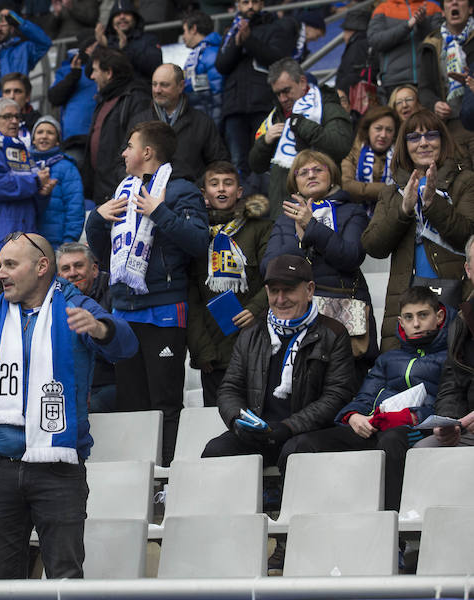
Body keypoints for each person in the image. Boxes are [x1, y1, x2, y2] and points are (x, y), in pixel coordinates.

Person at [0, 232, 137, 579]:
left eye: (10, 265)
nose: (0, 274)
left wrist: (100, 329)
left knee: (64, 579)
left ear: (41, 266)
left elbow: (125, 346)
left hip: (59, 468)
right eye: (0, 265)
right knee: (3, 581)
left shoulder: (74, 304)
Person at [85, 121, 209, 464]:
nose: (123, 152)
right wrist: (96, 220)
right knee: (131, 403)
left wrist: (160, 211)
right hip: (124, 310)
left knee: (165, 402)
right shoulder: (123, 190)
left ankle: (167, 481)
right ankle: (136, 479)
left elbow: (199, 242)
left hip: (164, 309)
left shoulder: (181, 190)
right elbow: (105, 256)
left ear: (147, 152)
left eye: (129, 146)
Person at [287, 285, 450, 513]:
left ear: (439, 316)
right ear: (400, 321)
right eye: (408, 317)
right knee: (304, 444)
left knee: (391, 441)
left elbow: (448, 404)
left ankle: (394, 529)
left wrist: (412, 416)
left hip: (414, 430)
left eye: (423, 315)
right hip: (374, 427)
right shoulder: (389, 358)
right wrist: (353, 416)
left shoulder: (450, 357)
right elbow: (365, 396)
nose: (416, 324)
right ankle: (306, 523)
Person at [201, 253, 355, 468]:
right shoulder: (251, 333)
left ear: (309, 290)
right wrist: (238, 421)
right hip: (258, 433)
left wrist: (288, 427)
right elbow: (229, 389)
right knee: (216, 451)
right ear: (266, 292)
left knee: (296, 451)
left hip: (307, 433)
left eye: (289, 290)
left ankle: (284, 502)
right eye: (274, 291)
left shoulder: (333, 333)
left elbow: (337, 396)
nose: (280, 299)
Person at [361, 109, 474, 350]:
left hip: (455, 295)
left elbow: (468, 234)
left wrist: (433, 204)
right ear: (404, 145)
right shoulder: (392, 192)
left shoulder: (465, 182)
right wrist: (402, 210)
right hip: (406, 303)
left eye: (431, 135)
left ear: (443, 141)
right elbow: (373, 246)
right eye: (414, 137)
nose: (423, 143)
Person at [262, 149, 377, 383]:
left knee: (346, 386)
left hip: (342, 314)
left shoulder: (352, 211)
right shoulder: (285, 218)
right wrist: (302, 239)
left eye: (317, 169)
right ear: (295, 182)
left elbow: (351, 256)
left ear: (332, 176)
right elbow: (269, 267)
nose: (310, 175)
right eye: (302, 172)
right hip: (299, 314)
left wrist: (312, 227)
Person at [187, 162, 271, 406]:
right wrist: (202, 350)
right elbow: (191, 298)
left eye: (228, 183)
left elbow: (273, 278)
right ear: (204, 193)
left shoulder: (262, 228)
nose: (221, 189)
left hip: (255, 342)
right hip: (214, 353)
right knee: (215, 421)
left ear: (240, 191)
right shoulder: (195, 235)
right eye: (214, 184)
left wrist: (254, 310)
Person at [249, 58, 353, 219]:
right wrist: (265, 142)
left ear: (303, 82)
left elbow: (340, 145)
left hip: (325, 210)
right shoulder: (275, 116)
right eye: (278, 94)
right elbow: (255, 165)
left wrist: (302, 124)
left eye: (286, 91)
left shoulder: (327, 107)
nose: (282, 98)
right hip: (282, 210)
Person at [216, 0, 299, 188]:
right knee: (238, 163)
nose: (250, 6)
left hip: (263, 106)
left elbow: (278, 58)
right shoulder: (230, 31)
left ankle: (267, 207)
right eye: (245, 2)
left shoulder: (275, 27)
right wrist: (237, 43)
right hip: (234, 108)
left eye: (255, 2)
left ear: (262, 4)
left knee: (265, 160)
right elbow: (221, 65)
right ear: (238, 5)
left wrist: (249, 40)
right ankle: (243, 207)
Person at [0, 98, 54, 274]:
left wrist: (43, 193)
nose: (14, 121)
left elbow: (34, 201)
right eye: (7, 116)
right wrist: (35, 182)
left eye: (16, 116)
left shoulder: (21, 152)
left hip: (25, 247)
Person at [417, 235, 474, 447]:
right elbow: (451, 386)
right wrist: (449, 423)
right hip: (470, 429)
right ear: (468, 271)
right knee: (425, 449)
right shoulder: (462, 322)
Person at [133, 63, 229, 183]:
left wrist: (200, 189)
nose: (157, 90)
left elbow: (218, 164)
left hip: (189, 197)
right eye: (154, 84)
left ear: (181, 86)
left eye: (164, 85)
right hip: (146, 197)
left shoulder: (202, 122)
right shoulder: (139, 121)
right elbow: (122, 162)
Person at [82, 46, 150, 204]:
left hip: (122, 192)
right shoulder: (104, 99)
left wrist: (121, 182)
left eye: (95, 70)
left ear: (109, 72)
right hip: (103, 190)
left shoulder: (136, 99)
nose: (92, 76)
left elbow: (137, 147)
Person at [56, 241, 116, 412]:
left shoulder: (114, 293)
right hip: (67, 386)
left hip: (107, 383)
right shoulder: (52, 301)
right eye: (66, 269)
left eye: (79, 266)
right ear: (59, 276)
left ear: (94, 270)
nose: (73, 273)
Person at [418, 0, 474, 162]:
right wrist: (435, 104)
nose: (454, 2)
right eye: (449, 1)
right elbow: (424, 88)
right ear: (443, 11)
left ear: (470, 8)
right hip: (449, 127)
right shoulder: (432, 44)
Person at [367, 0, 442, 97]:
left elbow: (440, 40)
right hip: (394, 81)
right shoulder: (383, 8)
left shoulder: (433, 8)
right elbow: (376, 41)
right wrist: (407, 26)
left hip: (428, 81)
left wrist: (422, 23)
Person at [32, 115, 85, 248]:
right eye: (40, 132)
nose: (44, 136)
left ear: (57, 141)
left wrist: (70, 238)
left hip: (57, 242)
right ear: (33, 139)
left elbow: (75, 206)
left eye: (50, 133)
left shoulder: (67, 167)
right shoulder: (25, 166)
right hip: (28, 241)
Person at [341, 105, 401, 210]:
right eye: (378, 128)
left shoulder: (401, 156)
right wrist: (385, 189)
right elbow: (346, 186)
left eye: (389, 130)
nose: (383, 135)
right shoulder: (354, 153)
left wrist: (362, 190)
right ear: (368, 129)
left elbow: (403, 191)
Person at [46, 31, 98, 144]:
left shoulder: (107, 68)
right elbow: (54, 97)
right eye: (91, 46)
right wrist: (74, 75)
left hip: (103, 133)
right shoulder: (67, 70)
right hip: (76, 135)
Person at [94, 0, 162, 80]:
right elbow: (90, 72)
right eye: (117, 15)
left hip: (139, 89)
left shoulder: (149, 39)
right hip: (111, 91)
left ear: (135, 18)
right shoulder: (106, 42)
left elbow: (155, 67)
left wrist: (126, 48)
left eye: (126, 13)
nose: (122, 17)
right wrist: (102, 47)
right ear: (111, 21)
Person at [181, 10, 223, 128]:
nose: (183, 36)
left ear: (193, 29)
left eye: (184, 31)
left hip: (210, 121)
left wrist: (215, 126)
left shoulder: (211, 53)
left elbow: (218, 93)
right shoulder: (198, 54)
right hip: (200, 119)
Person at [0, 72, 42, 146]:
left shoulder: (40, 125)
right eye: (7, 91)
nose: (11, 96)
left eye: (17, 91)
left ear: (27, 97)